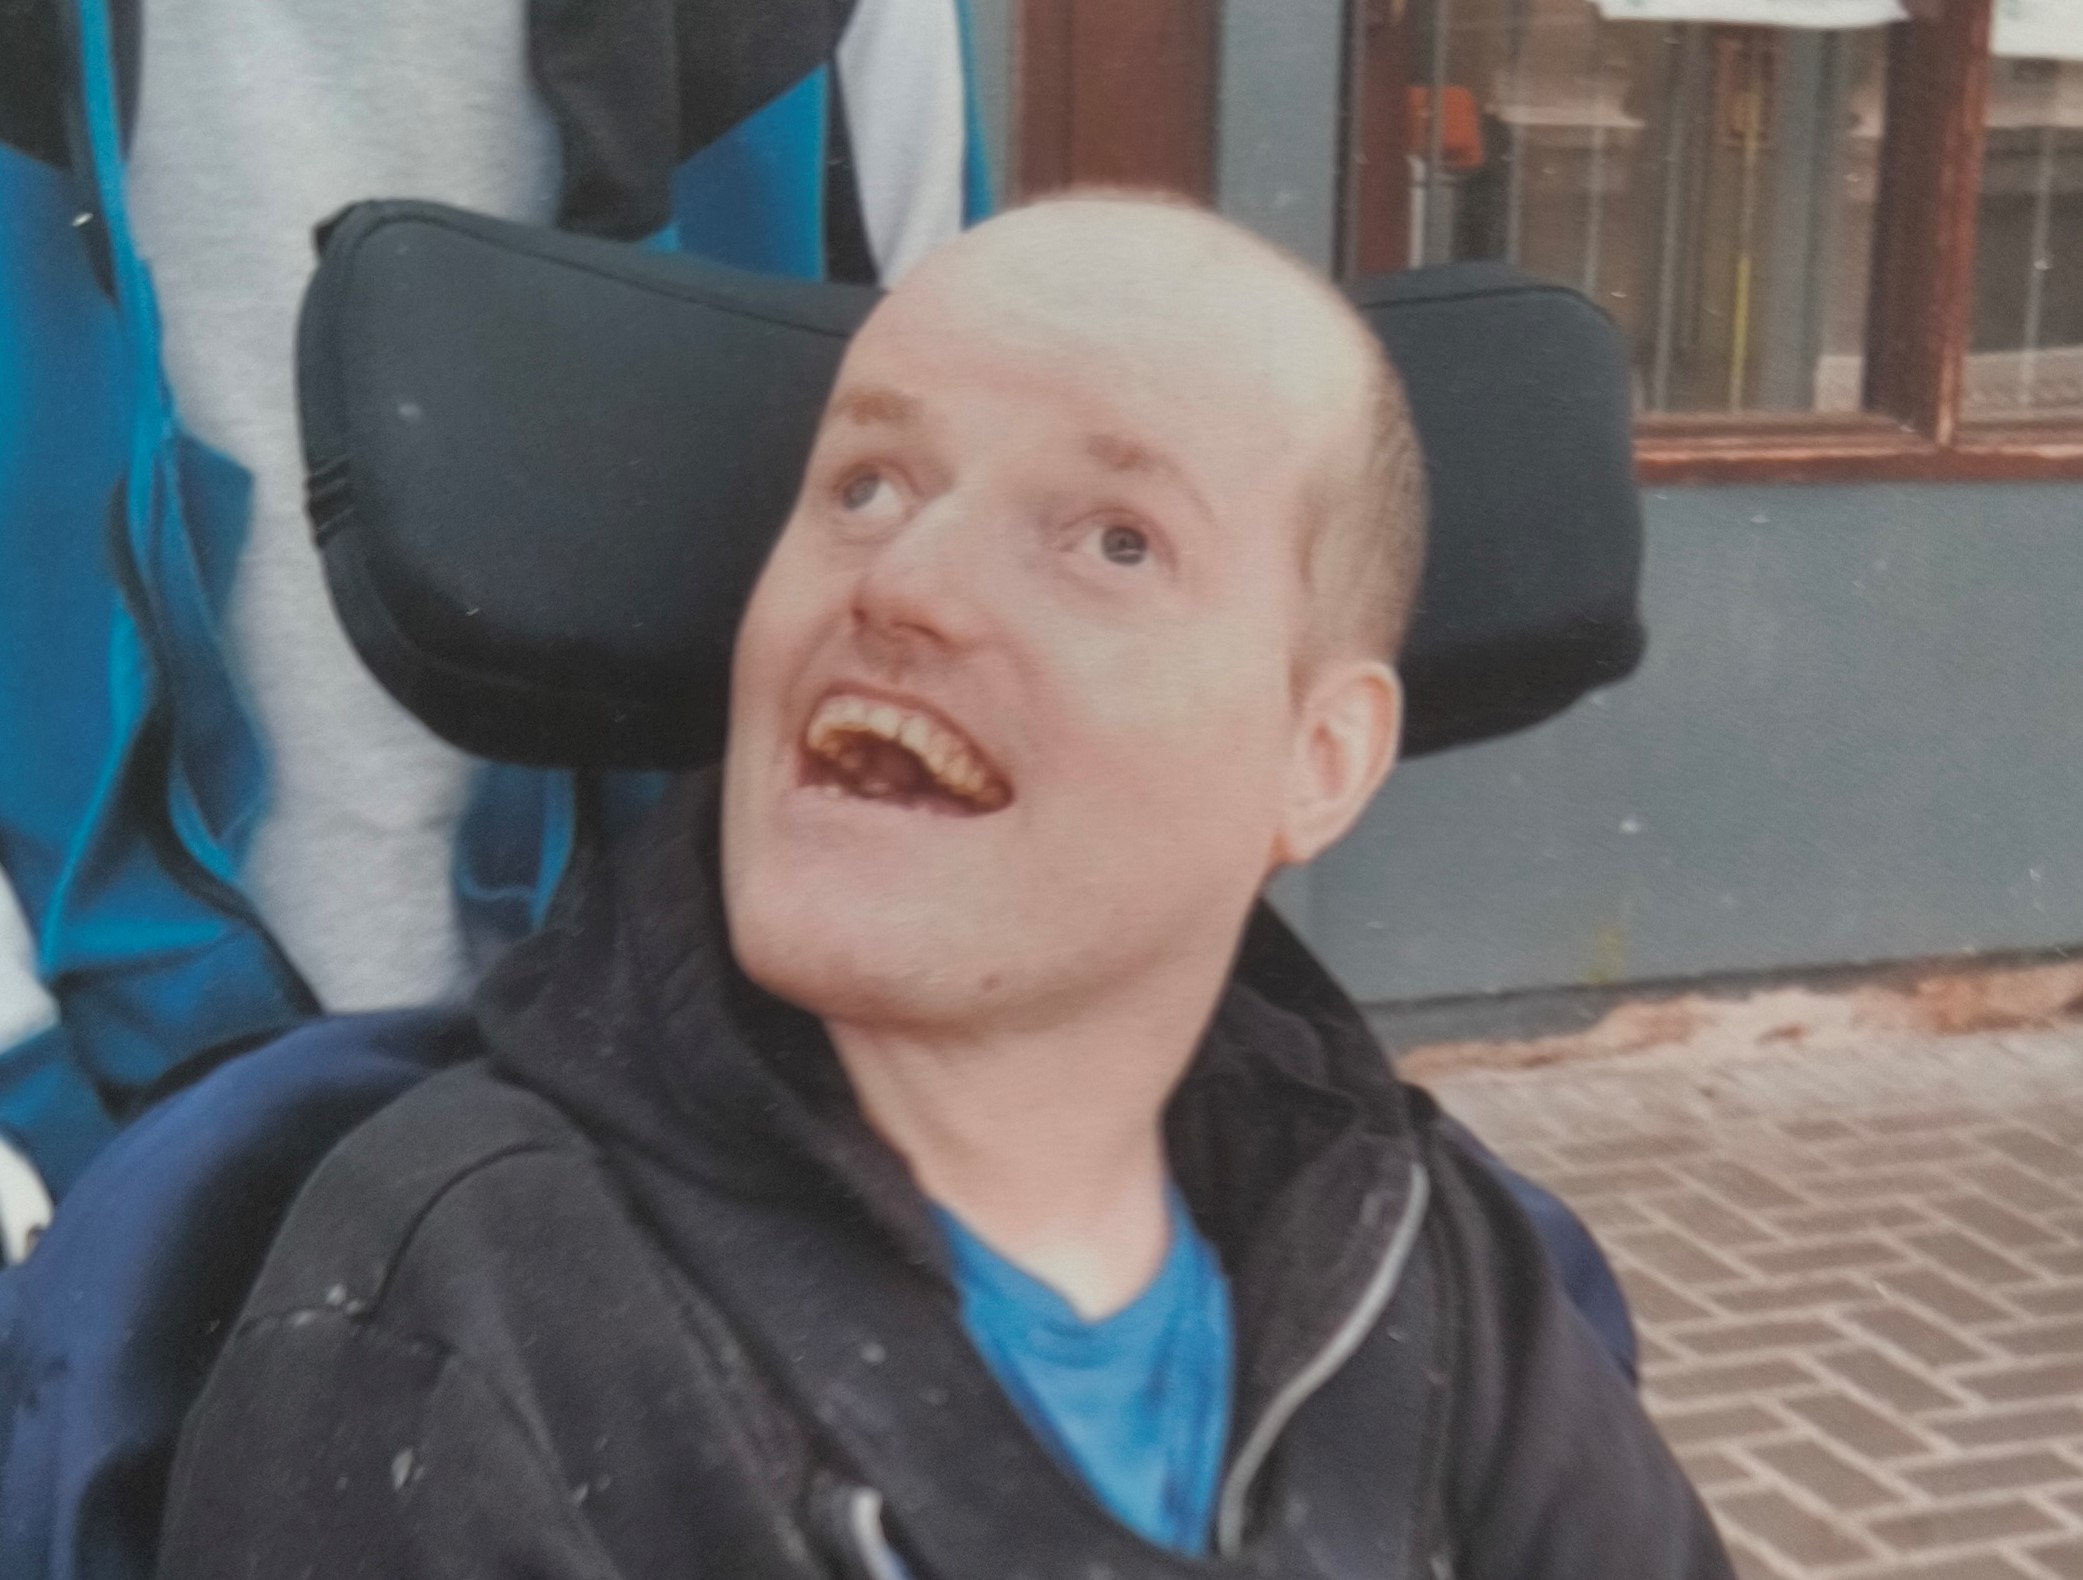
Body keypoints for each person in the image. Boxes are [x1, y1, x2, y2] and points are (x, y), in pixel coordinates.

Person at [157, 194, 1731, 1579]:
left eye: (1116, 542)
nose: (903, 584)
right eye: (866, 485)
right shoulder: (475, 1311)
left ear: (1319, 760)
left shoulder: (1438, 1264)